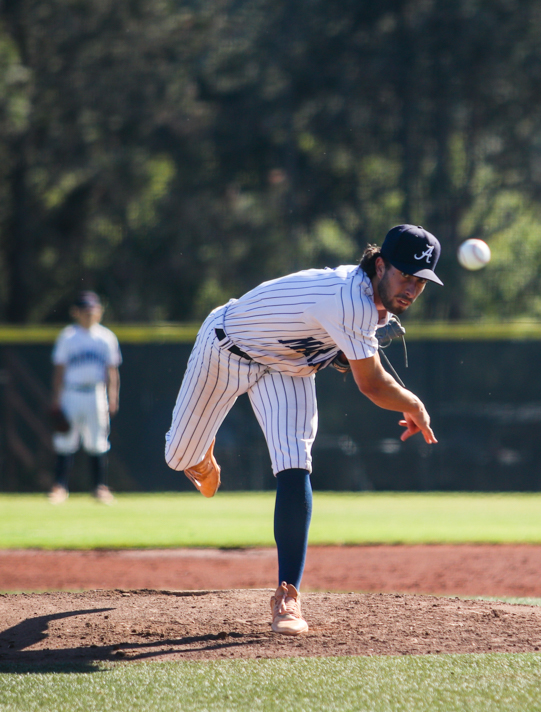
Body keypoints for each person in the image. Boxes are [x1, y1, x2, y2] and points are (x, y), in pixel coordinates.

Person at [164, 224, 442, 635]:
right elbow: (371, 384)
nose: (412, 289)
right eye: (406, 276)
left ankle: (287, 595)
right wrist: (414, 404)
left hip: (288, 369)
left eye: (421, 281)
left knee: (295, 464)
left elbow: (328, 348)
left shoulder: (368, 300)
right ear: (380, 265)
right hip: (227, 348)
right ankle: (199, 457)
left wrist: (343, 352)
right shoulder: (351, 299)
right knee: (178, 457)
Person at [49, 291, 122, 505]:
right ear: (76, 312)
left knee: (98, 441)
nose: (90, 314)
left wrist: (113, 396)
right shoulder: (68, 336)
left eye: (93, 310)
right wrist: (57, 397)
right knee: (65, 441)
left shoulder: (106, 337)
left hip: (96, 393)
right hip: (71, 392)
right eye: (85, 310)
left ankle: (99, 488)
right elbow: (59, 369)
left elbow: (112, 370)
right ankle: (59, 487)